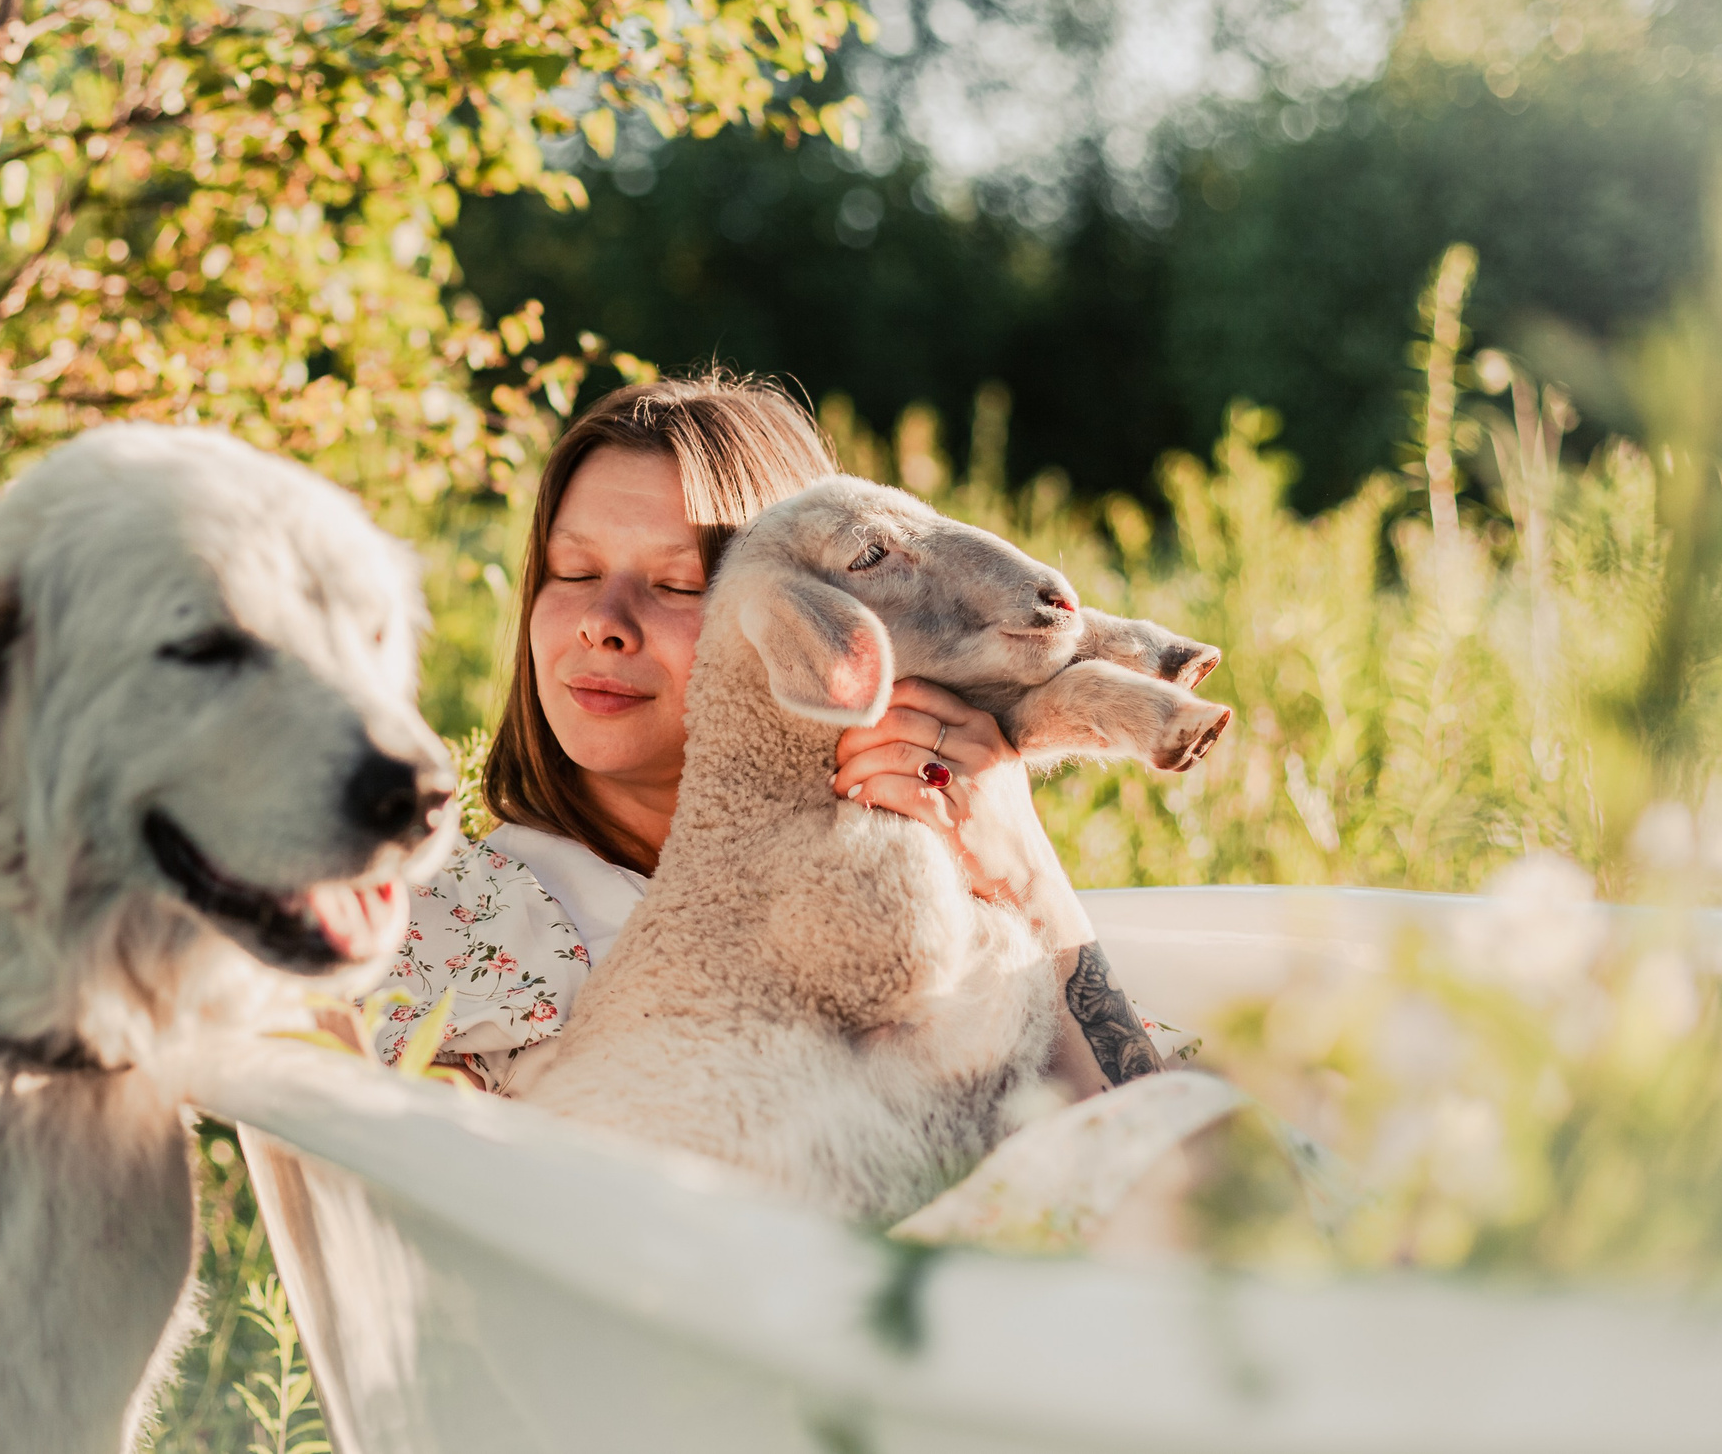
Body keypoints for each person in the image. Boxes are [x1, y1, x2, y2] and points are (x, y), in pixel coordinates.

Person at [374, 373, 1162, 1102]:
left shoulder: (940, 906)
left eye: (677, 584)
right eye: (573, 572)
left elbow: (1160, 1162)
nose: (602, 622)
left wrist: (1026, 873)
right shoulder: (455, 927)